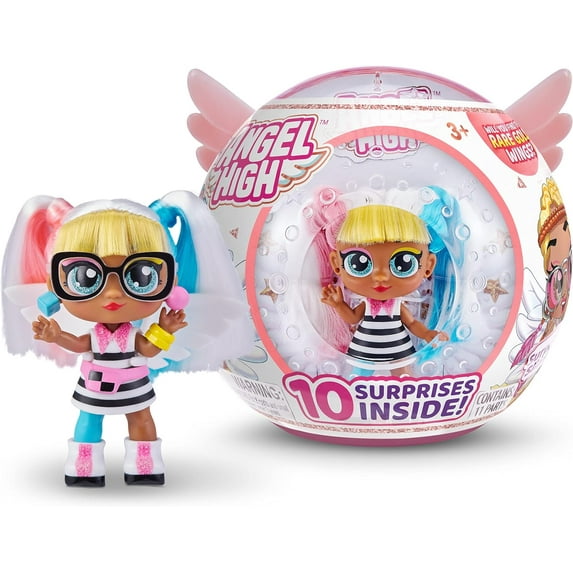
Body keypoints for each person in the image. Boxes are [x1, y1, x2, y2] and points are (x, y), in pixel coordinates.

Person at [2, 191, 251, 486]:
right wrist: (57, 335)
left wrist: (164, 329)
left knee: (140, 418)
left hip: (133, 385)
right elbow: (81, 344)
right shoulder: (96, 336)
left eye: (141, 275)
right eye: (85, 277)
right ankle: (84, 465)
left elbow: (147, 348)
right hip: (95, 385)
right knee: (89, 420)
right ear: (54, 284)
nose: (113, 293)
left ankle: (144, 465)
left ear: (170, 283)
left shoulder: (130, 335)